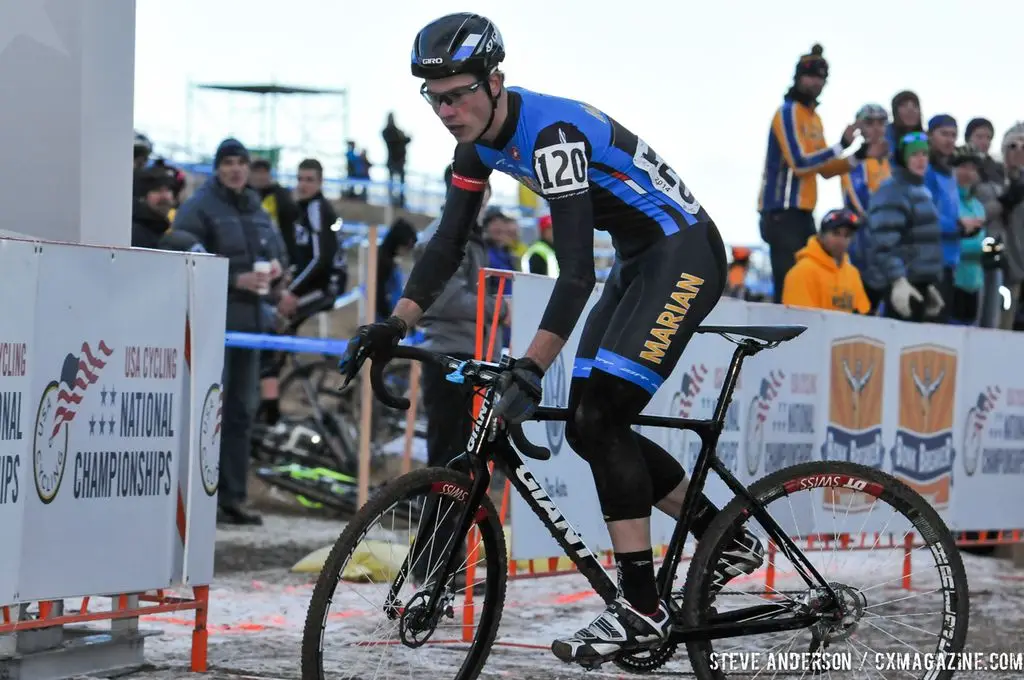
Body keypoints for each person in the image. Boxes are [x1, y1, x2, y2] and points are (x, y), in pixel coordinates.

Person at [339, 12, 762, 666]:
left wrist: (531, 367)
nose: (448, 111)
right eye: (435, 98)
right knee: (591, 430)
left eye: (459, 94)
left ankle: (641, 608)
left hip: (682, 253)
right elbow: (449, 241)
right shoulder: (476, 146)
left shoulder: (553, 137)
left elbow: (575, 273)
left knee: (601, 417)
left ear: (496, 80)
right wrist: (396, 321)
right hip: (638, 259)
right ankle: (724, 537)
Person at [863, 132, 944, 323]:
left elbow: (922, 240)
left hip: (917, 284)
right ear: (903, 158)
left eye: (924, 154)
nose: (921, 160)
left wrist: (927, 282)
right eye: (914, 155)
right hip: (898, 287)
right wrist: (898, 280)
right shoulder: (892, 191)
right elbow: (884, 243)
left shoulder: (921, 190)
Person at [781, 208, 871, 314]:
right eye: (836, 233)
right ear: (821, 235)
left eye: (847, 235)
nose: (841, 241)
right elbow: (800, 321)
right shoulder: (801, 272)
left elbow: (863, 316)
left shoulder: (852, 274)